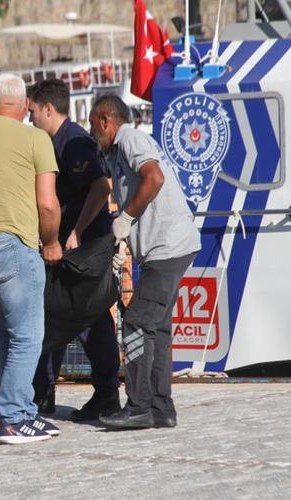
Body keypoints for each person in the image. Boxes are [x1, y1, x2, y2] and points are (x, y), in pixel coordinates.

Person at [0, 73, 63, 444]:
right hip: (10, 244)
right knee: (28, 337)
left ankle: (24, 412)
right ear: (25, 106)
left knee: (4, 335)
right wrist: (50, 242)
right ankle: (15, 418)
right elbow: (47, 204)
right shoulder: (36, 138)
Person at [89, 94, 201, 429]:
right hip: (167, 248)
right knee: (157, 328)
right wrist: (126, 239)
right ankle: (160, 408)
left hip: (166, 248)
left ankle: (138, 406)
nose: (94, 134)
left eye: (95, 127)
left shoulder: (129, 139)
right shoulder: (120, 151)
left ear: (106, 120)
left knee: (137, 322)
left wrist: (125, 217)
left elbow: (154, 178)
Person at [27, 79, 120, 420]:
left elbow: (100, 187)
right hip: (68, 248)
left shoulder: (73, 141)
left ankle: (107, 393)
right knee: (53, 317)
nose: (31, 118)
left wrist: (76, 231)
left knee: (90, 320)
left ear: (48, 109)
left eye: (33, 111)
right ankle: (44, 393)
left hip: (83, 249)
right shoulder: (56, 141)